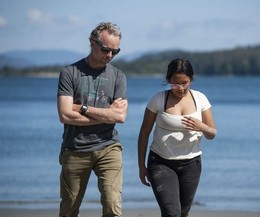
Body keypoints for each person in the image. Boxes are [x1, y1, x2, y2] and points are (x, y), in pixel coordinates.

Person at [57, 22, 128, 217]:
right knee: (69, 208)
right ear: (92, 43)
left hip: (109, 147)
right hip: (75, 149)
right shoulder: (69, 73)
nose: (110, 55)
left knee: (112, 204)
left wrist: (83, 108)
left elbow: (120, 116)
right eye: (106, 49)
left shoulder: (118, 77)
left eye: (116, 51)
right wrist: (106, 116)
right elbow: (64, 115)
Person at [137, 58, 217, 217]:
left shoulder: (200, 99)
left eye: (184, 83)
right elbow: (144, 132)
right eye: (175, 83)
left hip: (191, 164)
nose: (180, 88)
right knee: (171, 213)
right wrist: (141, 166)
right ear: (168, 80)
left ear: (191, 80)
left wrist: (202, 127)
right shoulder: (158, 99)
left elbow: (212, 133)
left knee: (182, 213)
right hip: (161, 163)